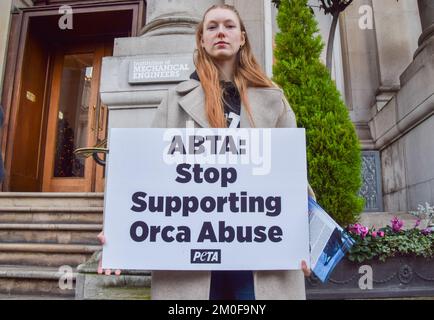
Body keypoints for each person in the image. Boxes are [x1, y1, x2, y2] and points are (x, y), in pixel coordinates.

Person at [98, 4, 315, 300]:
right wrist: (119, 237)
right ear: (201, 40)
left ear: (242, 37)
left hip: (260, 259)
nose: (221, 32)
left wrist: (306, 238)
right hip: (191, 262)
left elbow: (292, 179)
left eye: (228, 26)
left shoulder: (274, 100)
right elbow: (144, 178)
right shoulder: (173, 102)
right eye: (212, 27)